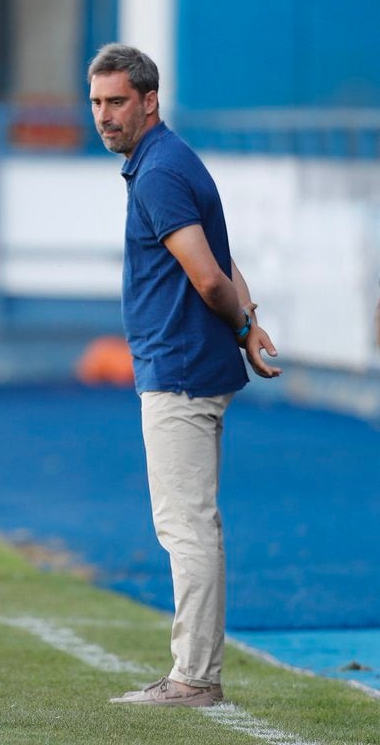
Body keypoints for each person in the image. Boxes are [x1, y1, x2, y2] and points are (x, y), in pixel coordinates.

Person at [87, 44, 282, 708]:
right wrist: (250, 322)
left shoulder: (161, 173)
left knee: (187, 527)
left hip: (179, 368)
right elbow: (223, 262)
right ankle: (195, 672)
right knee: (195, 525)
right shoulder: (171, 160)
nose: (104, 116)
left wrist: (237, 325)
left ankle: (195, 678)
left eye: (116, 102)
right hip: (186, 363)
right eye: (96, 102)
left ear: (149, 101)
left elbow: (205, 274)